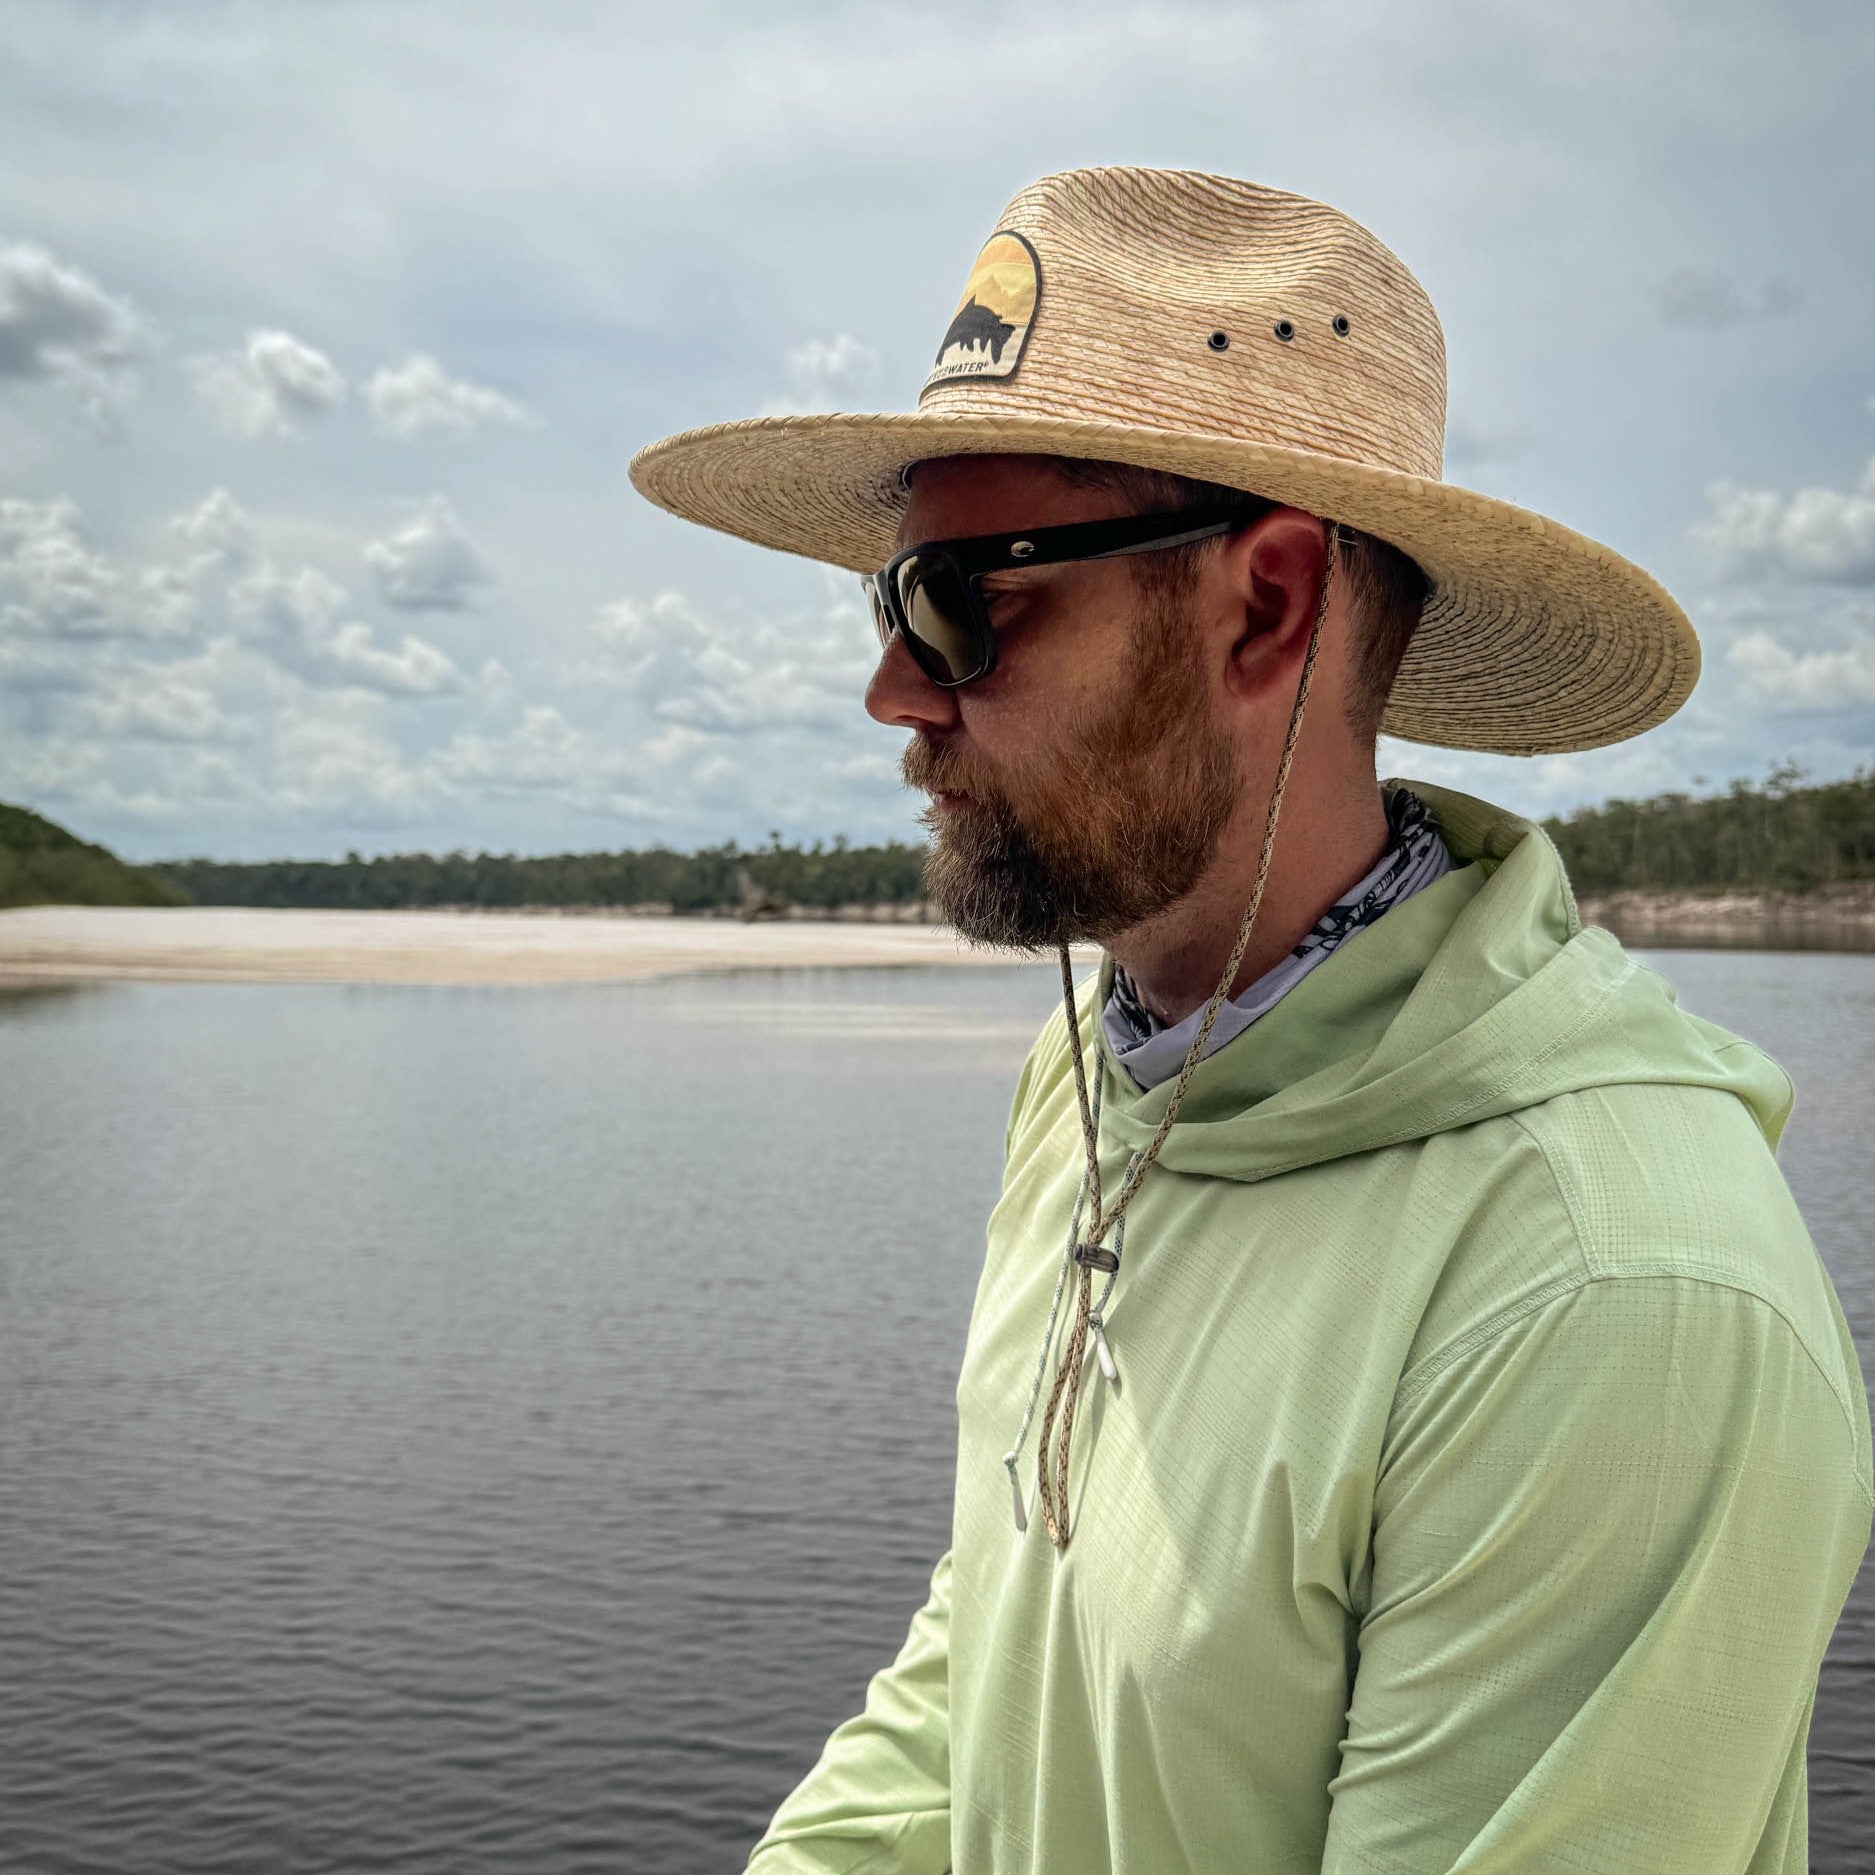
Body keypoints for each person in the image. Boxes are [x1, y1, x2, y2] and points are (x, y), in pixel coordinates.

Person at [630, 167, 1873, 1875]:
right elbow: (988, 1652)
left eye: (962, 603)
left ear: (1268, 605)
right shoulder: (1101, 1076)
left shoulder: (1610, 1292)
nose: (893, 692)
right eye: (889, 602)